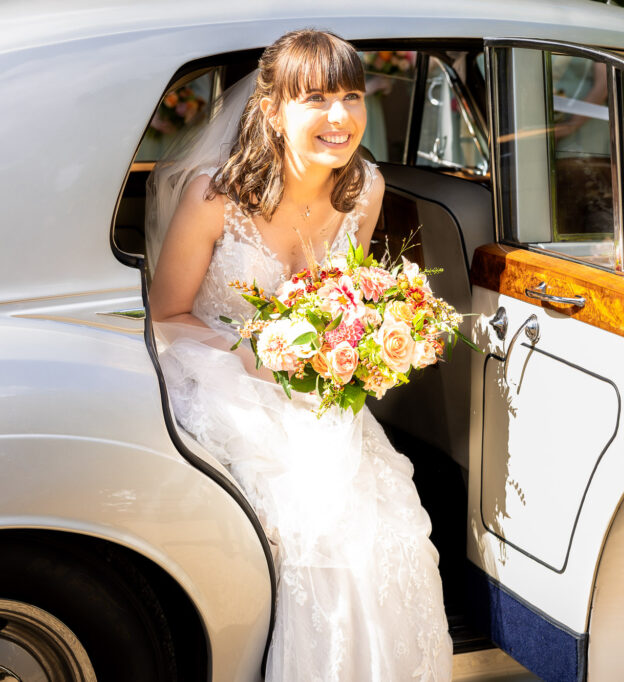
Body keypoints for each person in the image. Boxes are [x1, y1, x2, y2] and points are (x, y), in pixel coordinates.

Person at [147, 29, 453, 681]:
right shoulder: (214, 195)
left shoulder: (364, 189)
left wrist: (359, 344)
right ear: (271, 109)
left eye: (350, 95)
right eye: (316, 98)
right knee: (307, 533)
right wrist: (250, 351)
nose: (339, 116)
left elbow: (340, 301)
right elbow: (166, 317)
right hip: (214, 373)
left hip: (312, 394)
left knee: (394, 537)